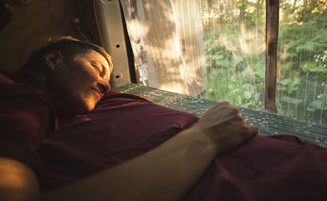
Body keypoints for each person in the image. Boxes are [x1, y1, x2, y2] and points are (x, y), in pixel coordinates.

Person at [0, 37, 258, 201]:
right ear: (53, 59)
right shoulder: (23, 101)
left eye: (108, 82)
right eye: (97, 69)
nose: (104, 85)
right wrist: (204, 137)